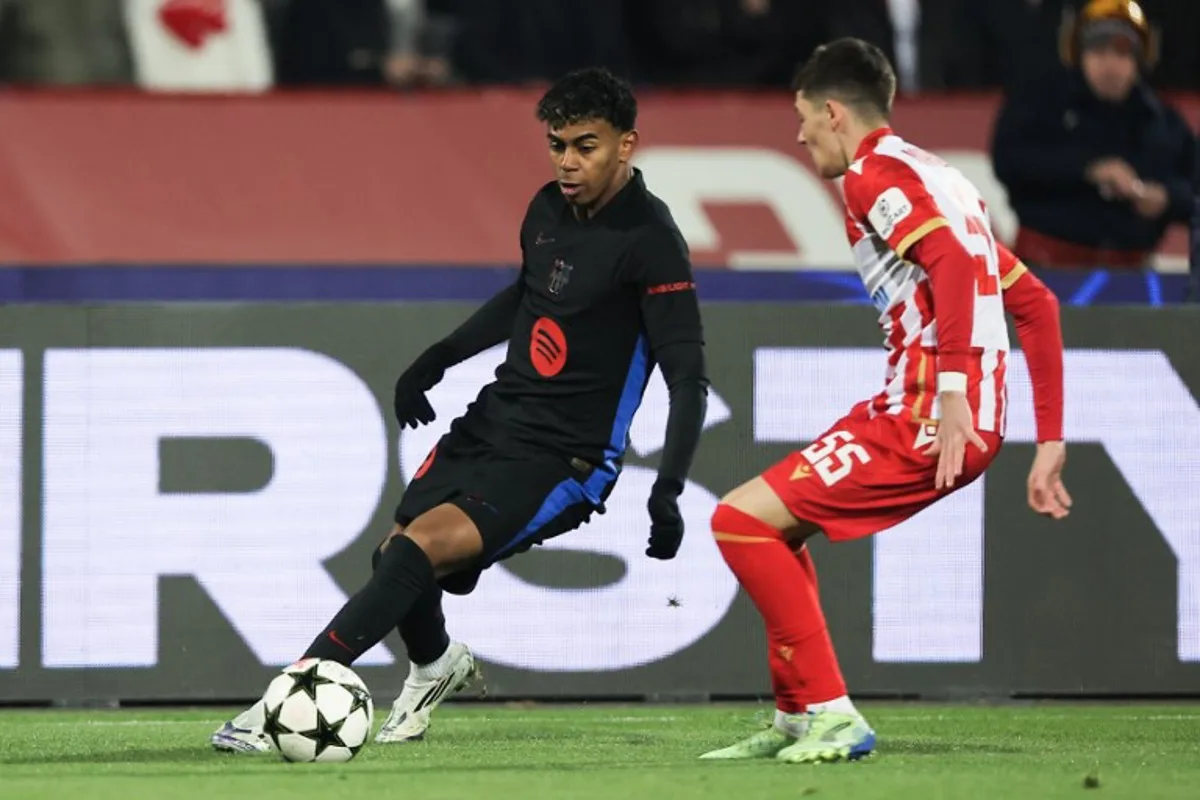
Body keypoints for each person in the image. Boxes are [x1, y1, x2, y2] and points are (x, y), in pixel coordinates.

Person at [211, 67, 709, 753]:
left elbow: (688, 374)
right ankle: (436, 663)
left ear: (628, 145)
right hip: (497, 418)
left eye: (585, 146)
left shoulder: (651, 239)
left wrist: (670, 487)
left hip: (566, 455)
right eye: (557, 144)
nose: (567, 162)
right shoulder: (545, 209)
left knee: (416, 549)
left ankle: (287, 698)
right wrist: (440, 357)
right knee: (395, 554)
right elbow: (525, 297)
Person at [699, 38, 1069, 765]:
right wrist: (1050, 438)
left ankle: (835, 715)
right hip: (927, 406)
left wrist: (956, 392)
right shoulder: (942, 180)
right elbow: (1038, 303)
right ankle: (799, 716)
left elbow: (955, 265)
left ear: (833, 112)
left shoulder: (872, 176)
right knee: (770, 525)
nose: (799, 135)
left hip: (929, 414)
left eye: (804, 118)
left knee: (737, 522)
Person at [991, 0, 1196, 270]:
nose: (1110, 65)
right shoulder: (1039, 104)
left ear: (1140, 60)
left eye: (1122, 53)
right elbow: (1010, 161)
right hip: (1044, 270)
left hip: (1134, 279)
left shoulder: (1164, 122)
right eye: (1098, 51)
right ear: (1079, 54)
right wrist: (1088, 169)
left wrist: (1166, 197)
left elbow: (1193, 186)